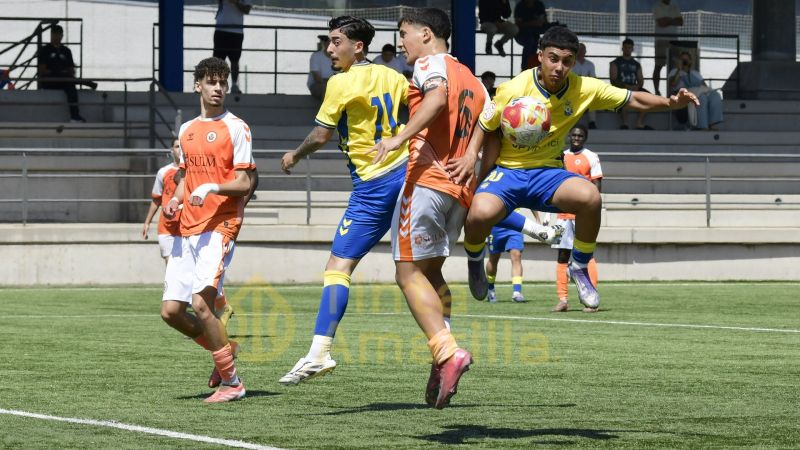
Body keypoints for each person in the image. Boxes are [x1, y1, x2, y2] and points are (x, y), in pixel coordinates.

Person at [461, 26, 698, 311]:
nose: (559, 67)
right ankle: (475, 260)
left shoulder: (583, 88)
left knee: (590, 198)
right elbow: (485, 125)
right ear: (539, 56)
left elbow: (632, 98)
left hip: (547, 172)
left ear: (574, 62)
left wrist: (670, 103)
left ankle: (580, 266)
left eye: (567, 61)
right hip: (508, 171)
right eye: (553, 58)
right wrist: (470, 156)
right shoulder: (512, 89)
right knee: (478, 213)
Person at [278, 16, 410, 386]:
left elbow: (321, 135)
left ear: (358, 47)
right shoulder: (393, 75)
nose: (330, 49)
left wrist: (294, 155)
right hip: (406, 170)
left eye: (337, 42)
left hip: (373, 185)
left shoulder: (341, 82)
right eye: (329, 42)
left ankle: (319, 352)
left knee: (338, 266)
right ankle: (531, 225)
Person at [370, 8, 487, 410]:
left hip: (426, 181)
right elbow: (489, 139)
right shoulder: (475, 82)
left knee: (406, 272)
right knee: (432, 272)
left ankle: (447, 351)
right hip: (459, 190)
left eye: (404, 34)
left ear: (425, 33)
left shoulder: (429, 63)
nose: (401, 42)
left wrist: (399, 137)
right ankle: (442, 353)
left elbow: (436, 99)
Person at [161, 56, 256, 403]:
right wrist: (176, 199)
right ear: (197, 85)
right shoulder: (187, 130)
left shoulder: (237, 127)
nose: (218, 89)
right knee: (171, 312)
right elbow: (187, 180)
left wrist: (213, 188)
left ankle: (233, 383)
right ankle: (225, 348)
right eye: (212, 82)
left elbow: (245, 181)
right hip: (187, 229)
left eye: (223, 83)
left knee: (202, 305)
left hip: (221, 224)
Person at [549, 124, 601, 313]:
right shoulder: (562, 156)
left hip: (582, 215)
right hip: (563, 214)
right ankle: (562, 300)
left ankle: (590, 299)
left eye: (580, 135)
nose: (576, 138)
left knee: (586, 255)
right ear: (569, 136)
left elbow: (596, 185)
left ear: (585, 138)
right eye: (574, 135)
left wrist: (593, 211)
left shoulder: (591, 156)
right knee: (562, 255)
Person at [38, 24, 97, 123]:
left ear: (62, 36)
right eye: (54, 35)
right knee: (68, 80)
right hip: (50, 81)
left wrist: (65, 72)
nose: (56, 37)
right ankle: (85, 83)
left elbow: (71, 70)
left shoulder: (66, 51)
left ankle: (75, 116)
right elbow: (43, 70)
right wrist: (58, 72)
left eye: (58, 35)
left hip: (65, 81)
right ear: (51, 35)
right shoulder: (45, 50)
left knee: (70, 86)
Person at [667, 51, 723, 131]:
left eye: (686, 60)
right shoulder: (674, 71)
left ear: (690, 61)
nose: (685, 62)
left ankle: (712, 124)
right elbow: (672, 84)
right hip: (684, 93)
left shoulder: (695, 73)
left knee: (715, 96)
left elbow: (704, 87)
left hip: (698, 91)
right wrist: (679, 70)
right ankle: (702, 126)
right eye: (683, 60)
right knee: (702, 98)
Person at [610, 38, 652, 130]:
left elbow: (641, 80)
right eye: (625, 47)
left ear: (632, 49)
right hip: (621, 88)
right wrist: (626, 86)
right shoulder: (615, 63)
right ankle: (625, 124)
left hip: (634, 88)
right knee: (626, 98)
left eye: (629, 47)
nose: (627, 49)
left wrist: (637, 86)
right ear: (622, 48)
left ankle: (639, 123)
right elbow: (613, 80)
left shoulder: (636, 64)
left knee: (649, 97)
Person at [213, 0, 252, 95]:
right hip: (221, 29)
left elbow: (247, 10)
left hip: (236, 32)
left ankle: (234, 85)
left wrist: (235, 2)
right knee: (217, 60)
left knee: (234, 60)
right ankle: (215, 86)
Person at [652, 0, 683, 96]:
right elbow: (661, 23)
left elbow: (681, 22)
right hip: (661, 40)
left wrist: (667, 20)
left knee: (675, 67)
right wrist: (673, 20)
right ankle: (657, 91)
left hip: (674, 42)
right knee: (658, 66)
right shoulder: (657, 7)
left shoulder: (675, 7)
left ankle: (673, 91)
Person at [514, 0, 548, 70]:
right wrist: (533, 23)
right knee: (530, 42)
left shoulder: (539, 5)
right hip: (521, 34)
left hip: (534, 34)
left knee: (534, 44)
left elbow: (543, 21)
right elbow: (519, 23)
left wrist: (535, 24)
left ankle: (530, 67)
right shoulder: (520, 6)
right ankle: (525, 67)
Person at [571, 43, 597, 129]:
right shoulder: (571, 63)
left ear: (585, 51)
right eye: (580, 50)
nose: (581, 52)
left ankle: (592, 122)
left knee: (593, 98)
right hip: (574, 90)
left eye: (583, 50)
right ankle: (572, 122)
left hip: (587, 89)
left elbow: (593, 79)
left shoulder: (590, 64)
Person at [307, 35, 335, 100]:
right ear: (325, 44)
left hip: (333, 84)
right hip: (317, 84)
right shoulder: (316, 56)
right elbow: (317, 78)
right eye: (328, 43)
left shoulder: (339, 58)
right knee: (326, 88)